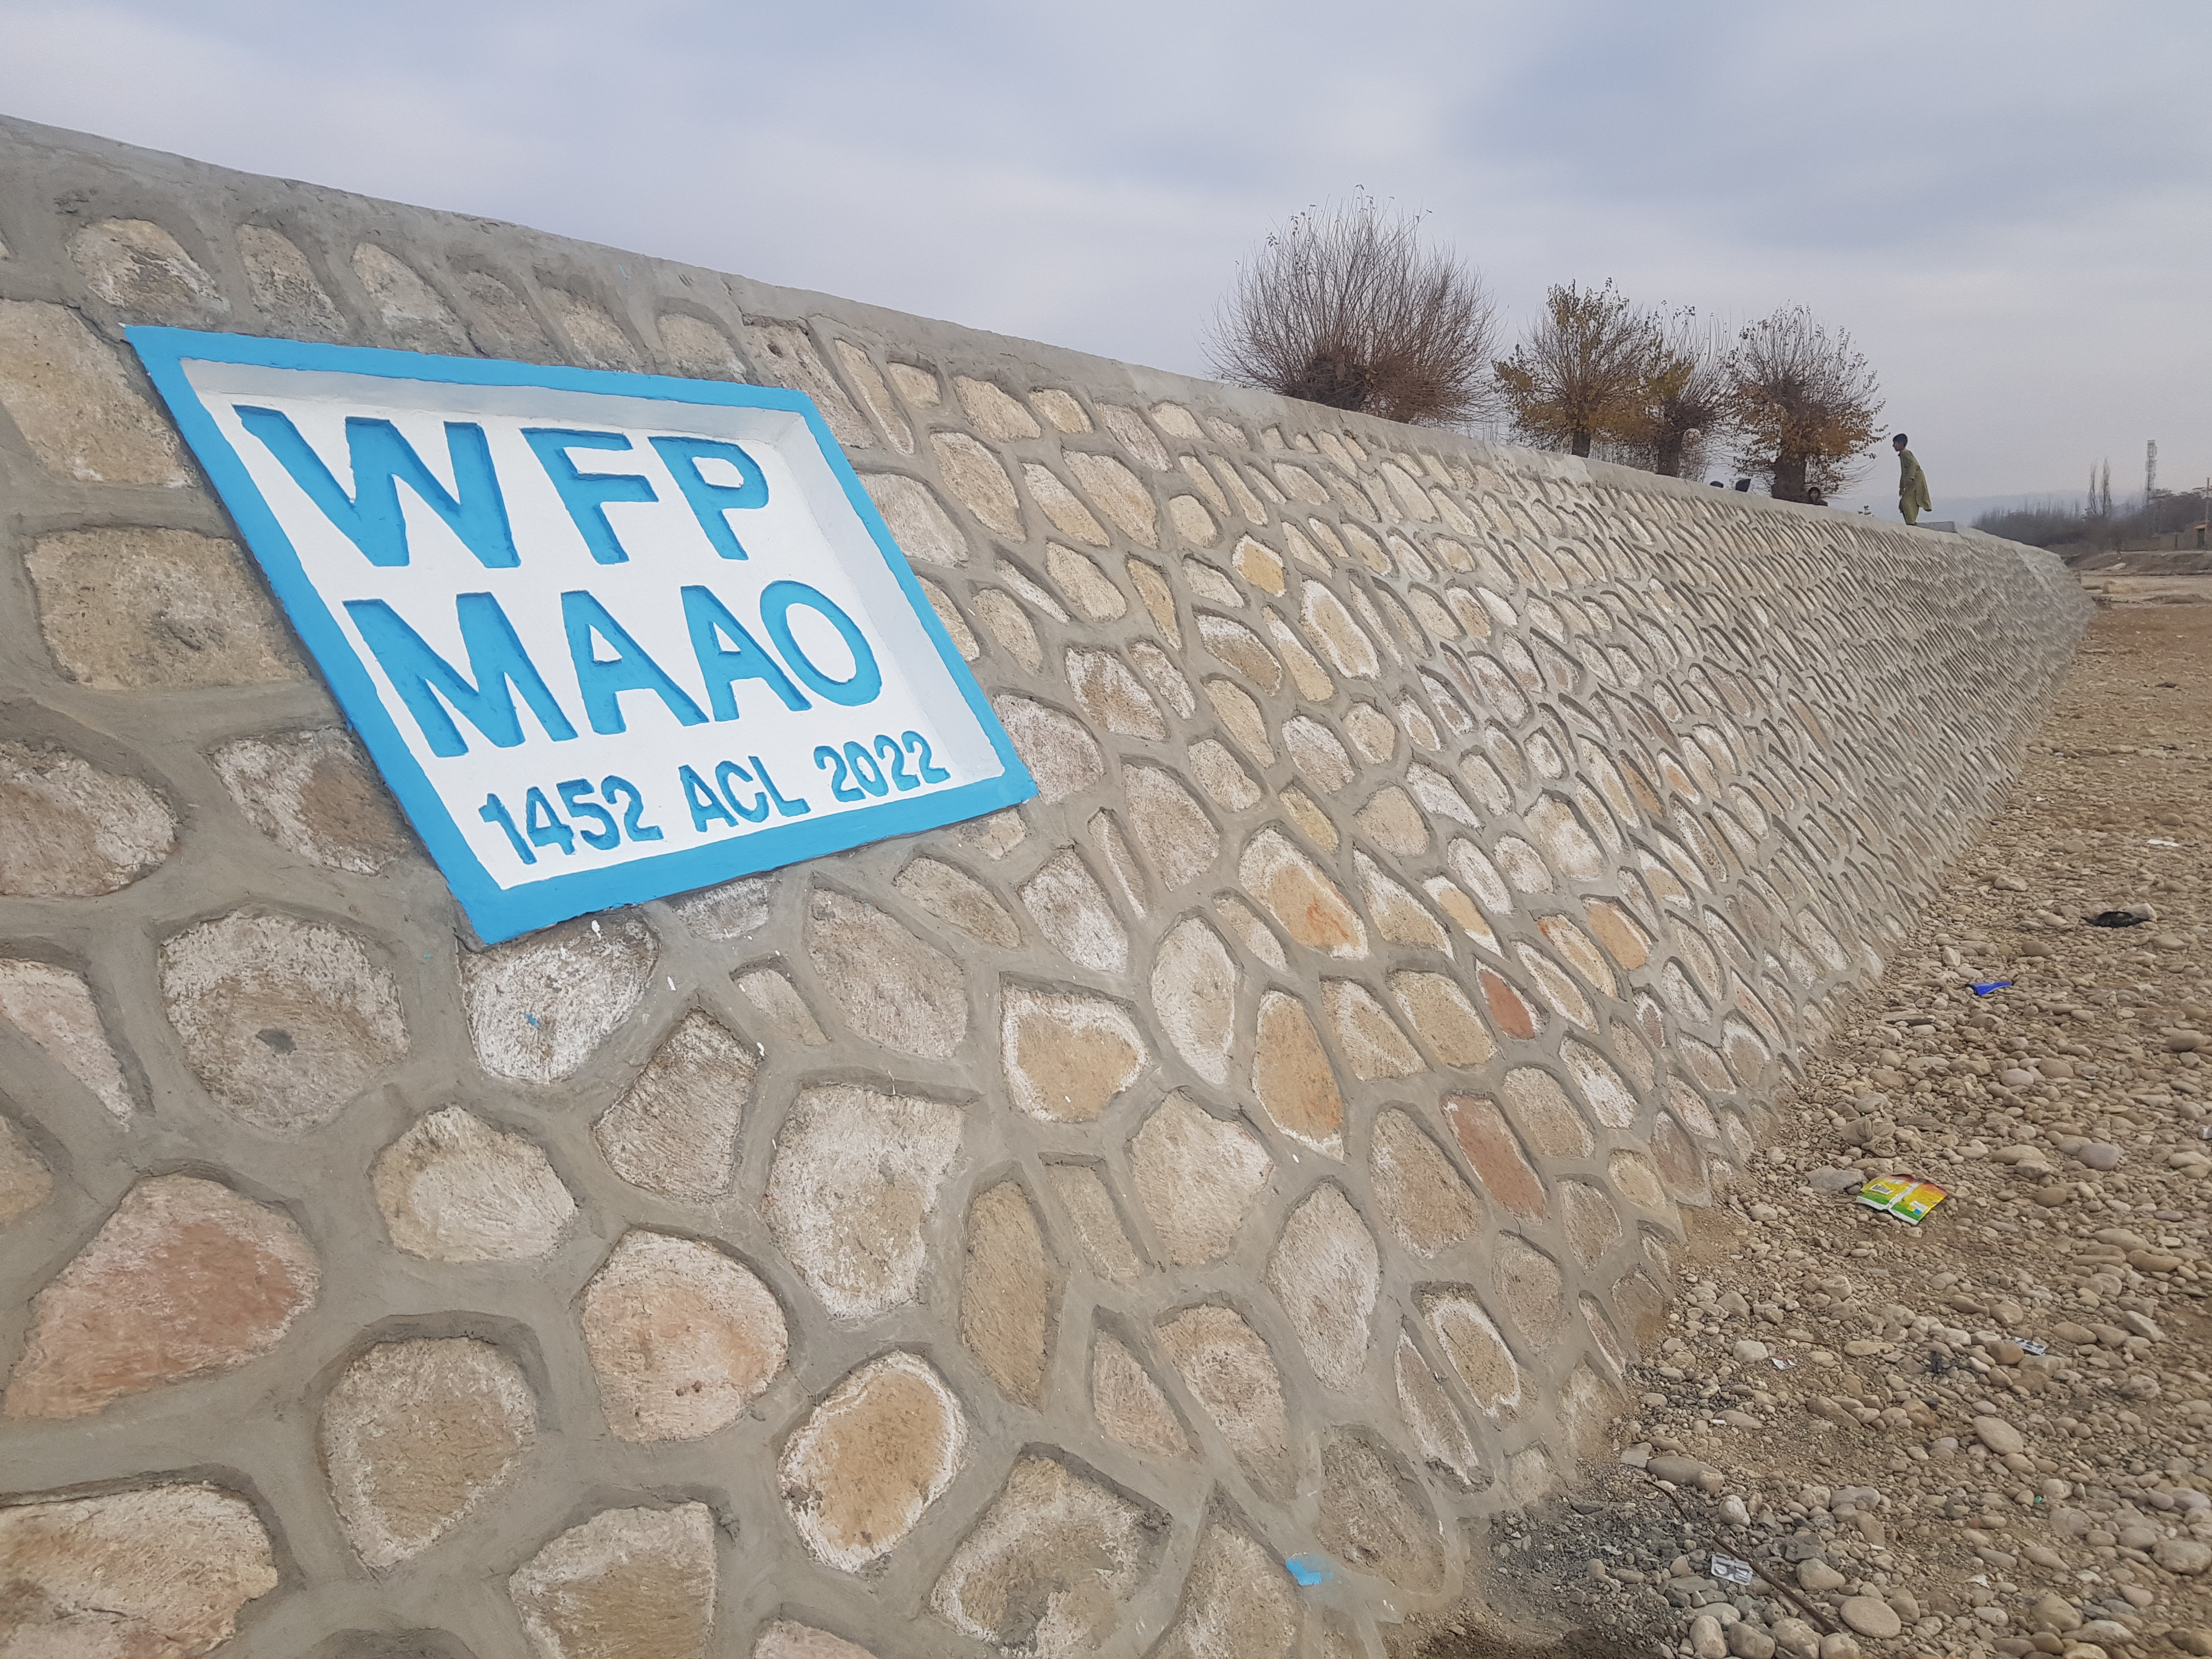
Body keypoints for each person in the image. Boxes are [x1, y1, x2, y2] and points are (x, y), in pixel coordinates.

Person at [1894, 433, 1932, 525]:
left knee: (1906, 501)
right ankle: (1911, 521)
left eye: (1895, 443)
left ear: (1901, 444)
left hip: (1916, 479)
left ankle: (1911, 522)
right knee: (1909, 501)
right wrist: (1901, 487)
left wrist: (1910, 478)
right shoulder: (1903, 455)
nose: (1893, 446)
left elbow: (1913, 465)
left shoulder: (1906, 454)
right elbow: (1904, 472)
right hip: (1912, 479)